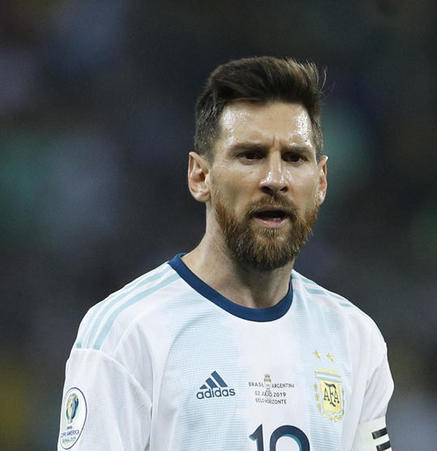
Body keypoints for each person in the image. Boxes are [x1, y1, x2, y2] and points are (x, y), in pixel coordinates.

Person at [57, 56, 394, 451]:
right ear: (200, 176)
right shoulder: (126, 332)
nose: (275, 180)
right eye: (250, 155)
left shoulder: (356, 338)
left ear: (320, 182)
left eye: (294, 157)